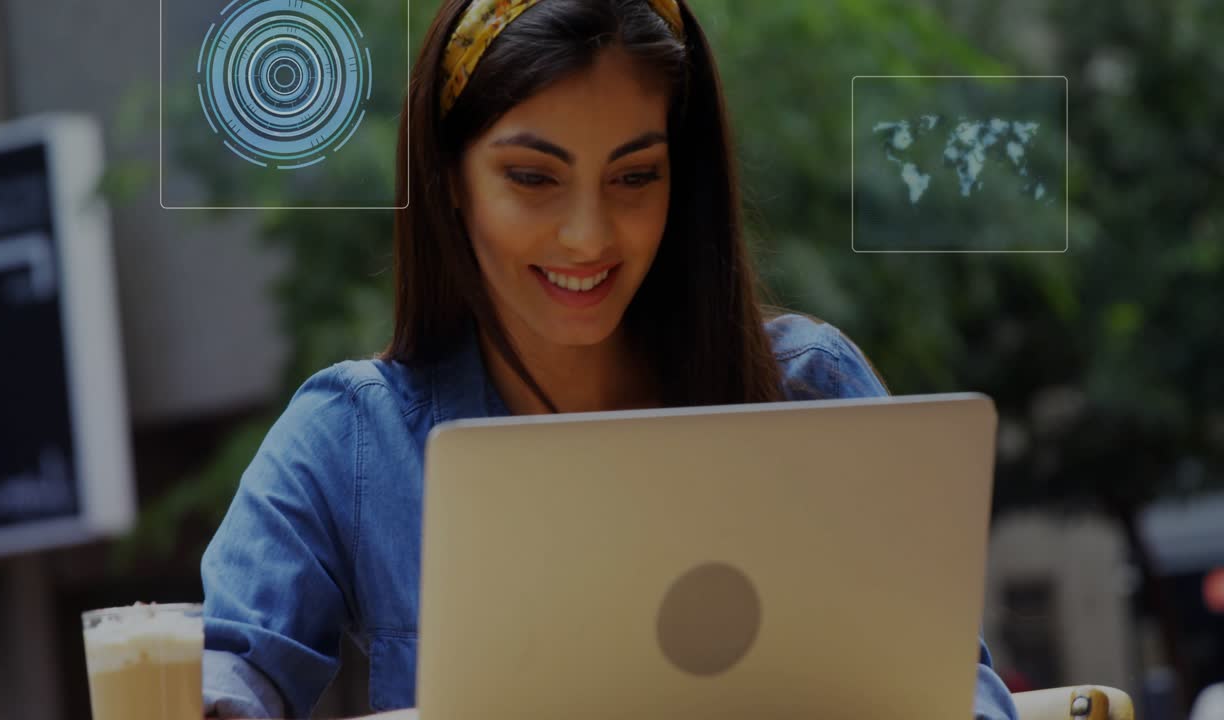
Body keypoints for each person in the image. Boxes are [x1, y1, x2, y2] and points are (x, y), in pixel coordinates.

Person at [200, 0, 1020, 718]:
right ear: (449, 176)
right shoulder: (351, 439)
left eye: (635, 177)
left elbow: (948, 689)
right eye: (532, 177)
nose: (589, 236)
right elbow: (222, 672)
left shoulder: (805, 388)